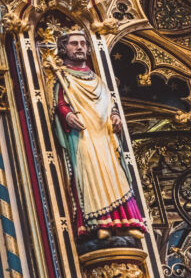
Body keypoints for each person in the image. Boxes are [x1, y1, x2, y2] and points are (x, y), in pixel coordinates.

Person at [52, 31, 145, 240]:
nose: (79, 47)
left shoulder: (97, 79)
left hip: (104, 137)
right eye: (74, 43)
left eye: (83, 43)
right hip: (84, 137)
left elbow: (109, 104)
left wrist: (115, 117)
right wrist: (66, 116)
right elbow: (60, 103)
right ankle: (99, 223)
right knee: (90, 175)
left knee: (115, 175)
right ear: (64, 48)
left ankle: (124, 222)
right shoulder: (63, 76)